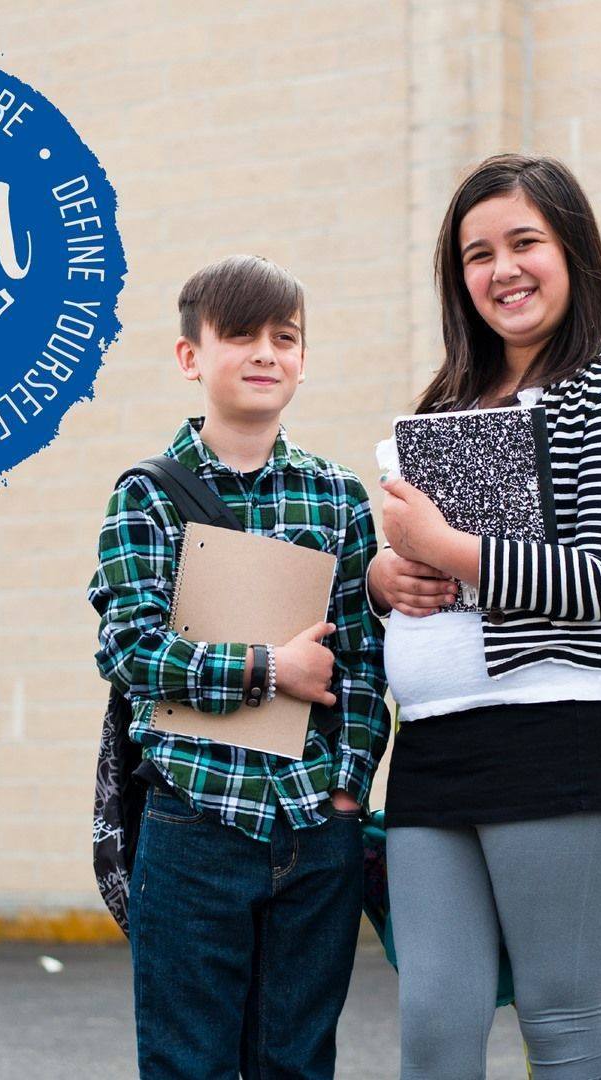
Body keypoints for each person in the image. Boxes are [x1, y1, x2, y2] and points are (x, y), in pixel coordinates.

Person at [369, 153, 601, 1080]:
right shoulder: (444, 406)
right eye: (478, 254)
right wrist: (386, 577)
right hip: (431, 748)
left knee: (560, 1021)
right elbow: (418, 570)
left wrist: (449, 547)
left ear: (572, 250)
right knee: (434, 1025)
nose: (503, 269)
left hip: (553, 739)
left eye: (524, 243)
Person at [86, 254, 390, 1079]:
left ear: (303, 358)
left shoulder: (339, 496)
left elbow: (365, 662)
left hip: (314, 825)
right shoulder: (147, 495)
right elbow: (128, 648)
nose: (265, 352)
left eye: (284, 338)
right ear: (191, 356)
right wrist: (266, 669)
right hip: (193, 820)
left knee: (298, 1063)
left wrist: (347, 792)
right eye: (241, 335)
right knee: (190, 1063)